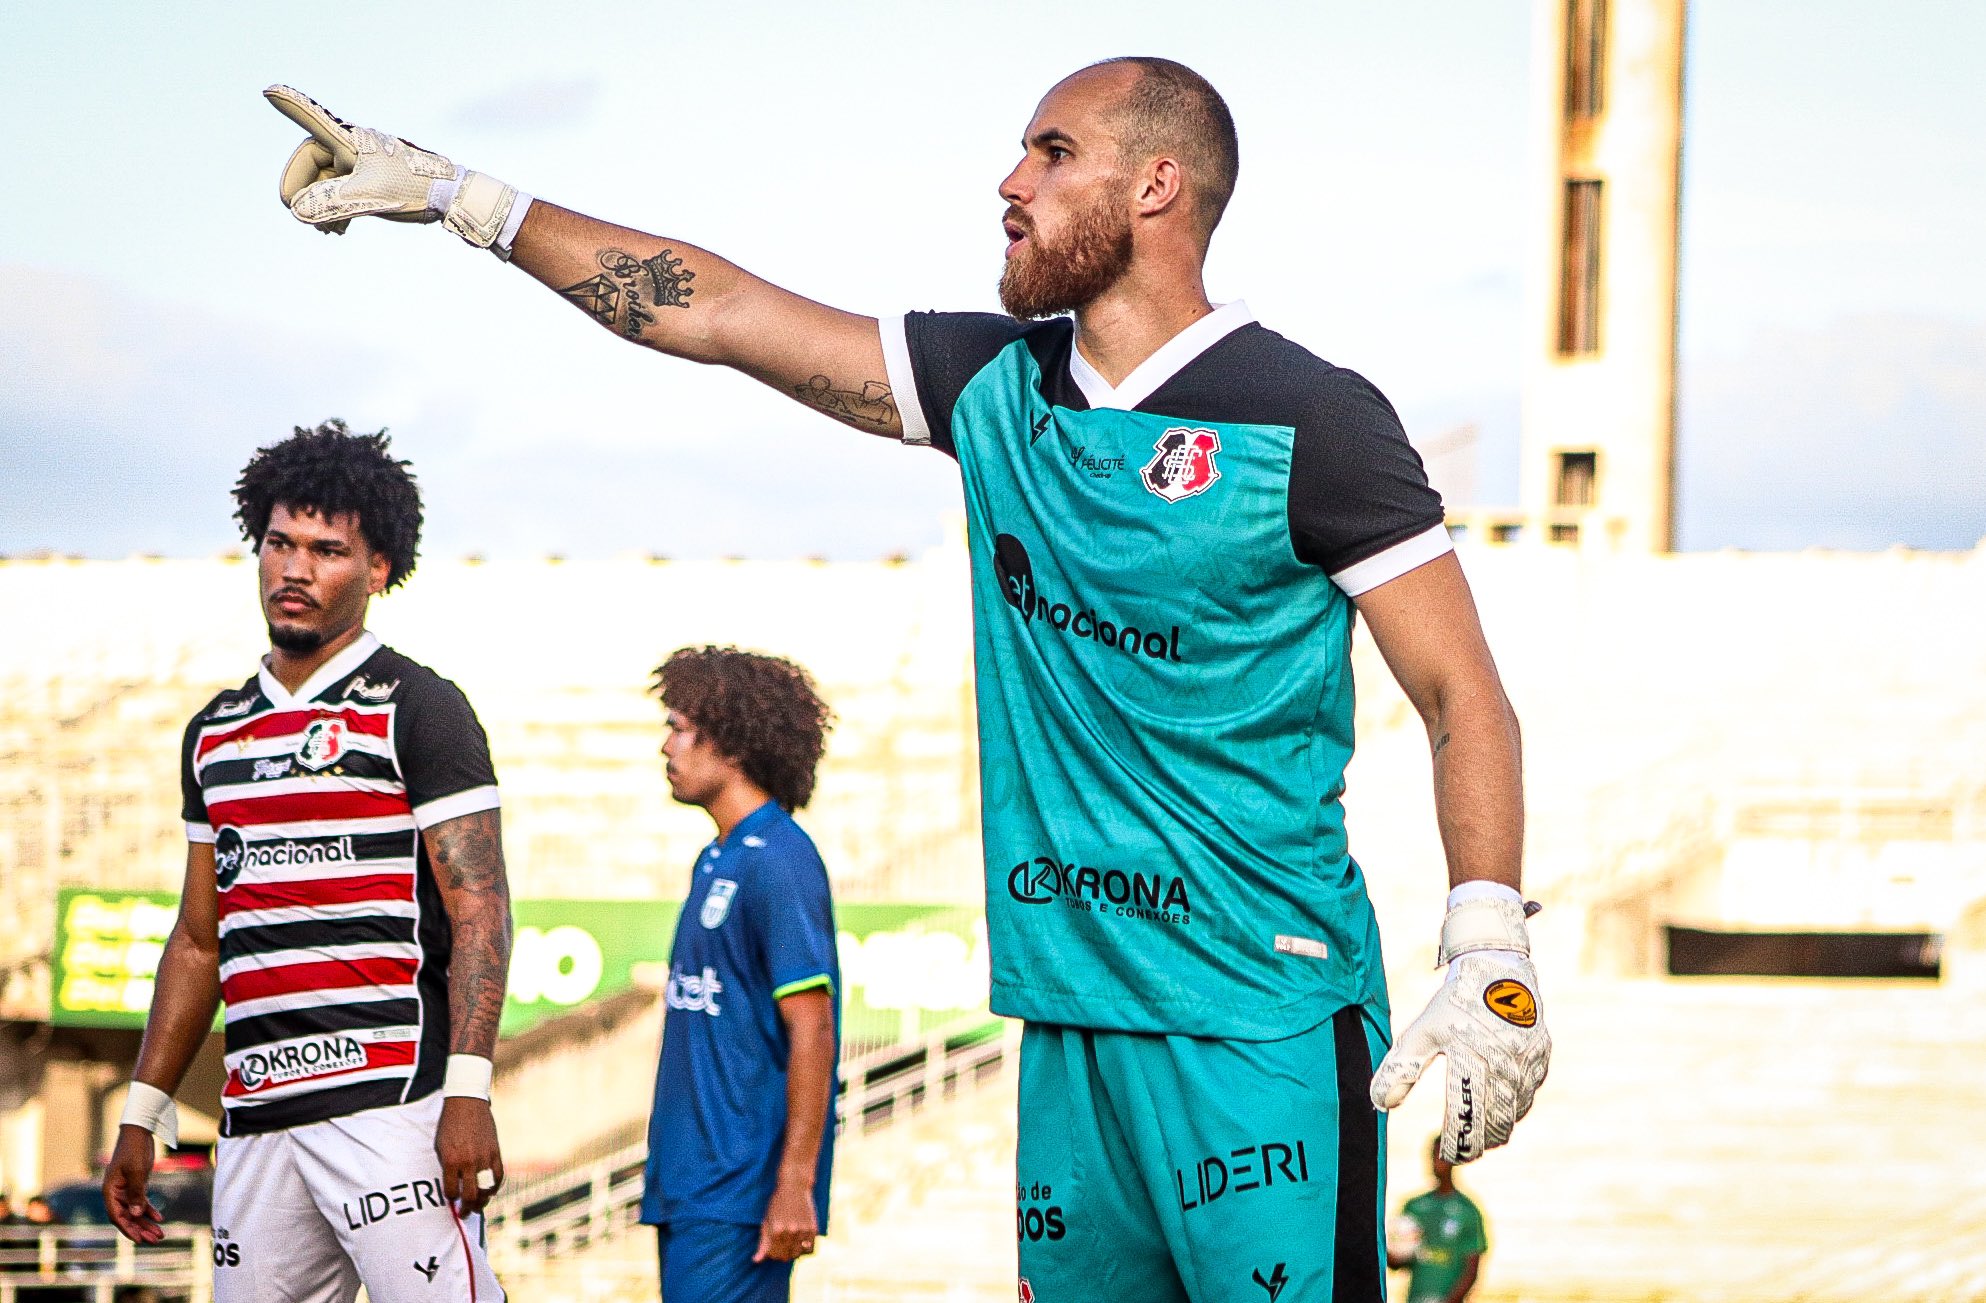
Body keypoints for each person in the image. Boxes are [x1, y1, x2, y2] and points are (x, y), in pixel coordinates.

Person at [264, 57, 1552, 1302]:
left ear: (1157, 185)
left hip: (1260, 1018)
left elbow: (1463, 696)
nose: (1012, 181)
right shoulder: (996, 382)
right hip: (1070, 1019)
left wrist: (1488, 937)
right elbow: (719, 311)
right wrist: (469, 200)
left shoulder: (1314, 419)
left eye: (1053, 153)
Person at [102, 422, 511, 1303]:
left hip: (391, 1107)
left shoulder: (418, 706)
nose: (295, 568)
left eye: (327, 550)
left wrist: (469, 1091)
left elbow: (480, 907)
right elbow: (199, 941)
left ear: (377, 568)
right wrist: (144, 1108)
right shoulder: (215, 732)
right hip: (256, 1118)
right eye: (280, 543)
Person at [639, 647, 839, 1303]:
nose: (666, 745)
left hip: (741, 1195)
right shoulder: (715, 857)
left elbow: (813, 1028)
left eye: (679, 728)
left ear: (731, 741)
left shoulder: (780, 859)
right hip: (689, 1185)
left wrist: (796, 1183)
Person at [1388, 1139, 1489, 1303]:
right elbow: (1398, 1262)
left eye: (1441, 1156)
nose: (1435, 1161)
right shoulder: (1414, 1207)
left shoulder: (1468, 1211)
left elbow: (1471, 1271)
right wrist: (1391, 1254)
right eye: (1432, 1155)